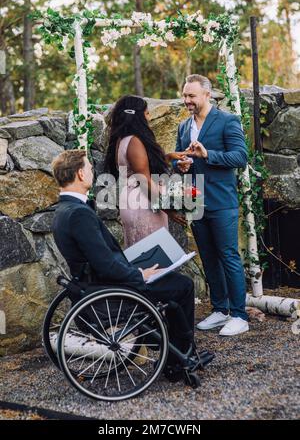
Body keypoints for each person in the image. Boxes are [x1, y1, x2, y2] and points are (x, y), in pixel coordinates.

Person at [51, 149, 208, 381]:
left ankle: (169, 347)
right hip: (109, 290)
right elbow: (104, 264)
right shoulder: (78, 214)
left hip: (95, 284)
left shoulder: (63, 211)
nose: (93, 172)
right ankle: (180, 360)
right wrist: (139, 274)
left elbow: (100, 258)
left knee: (168, 278)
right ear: (80, 174)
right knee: (182, 285)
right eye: (90, 168)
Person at [173, 74, 249, 336]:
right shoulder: (183, 127)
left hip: (222, 201)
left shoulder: (228, 121)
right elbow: (178, 158)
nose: (187, 100)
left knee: (228, 257)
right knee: (208, 257)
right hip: (196, 201)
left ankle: (240, 315)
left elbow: (241, 156)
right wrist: (180, 165)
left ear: (207, 95)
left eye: (191, 95)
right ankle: (220, 310)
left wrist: (209, 155)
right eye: (185, 96)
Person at [104, 95, 187, 248]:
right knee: (155, 258)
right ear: (138, 115)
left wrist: (167, 157)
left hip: (132, 201)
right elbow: (144, 180)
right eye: (147, 113)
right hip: (144, 203)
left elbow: (137, 167)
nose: (149, 117)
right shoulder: (135, 141)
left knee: (143, 256)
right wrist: (167, 208)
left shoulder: (121, 139)